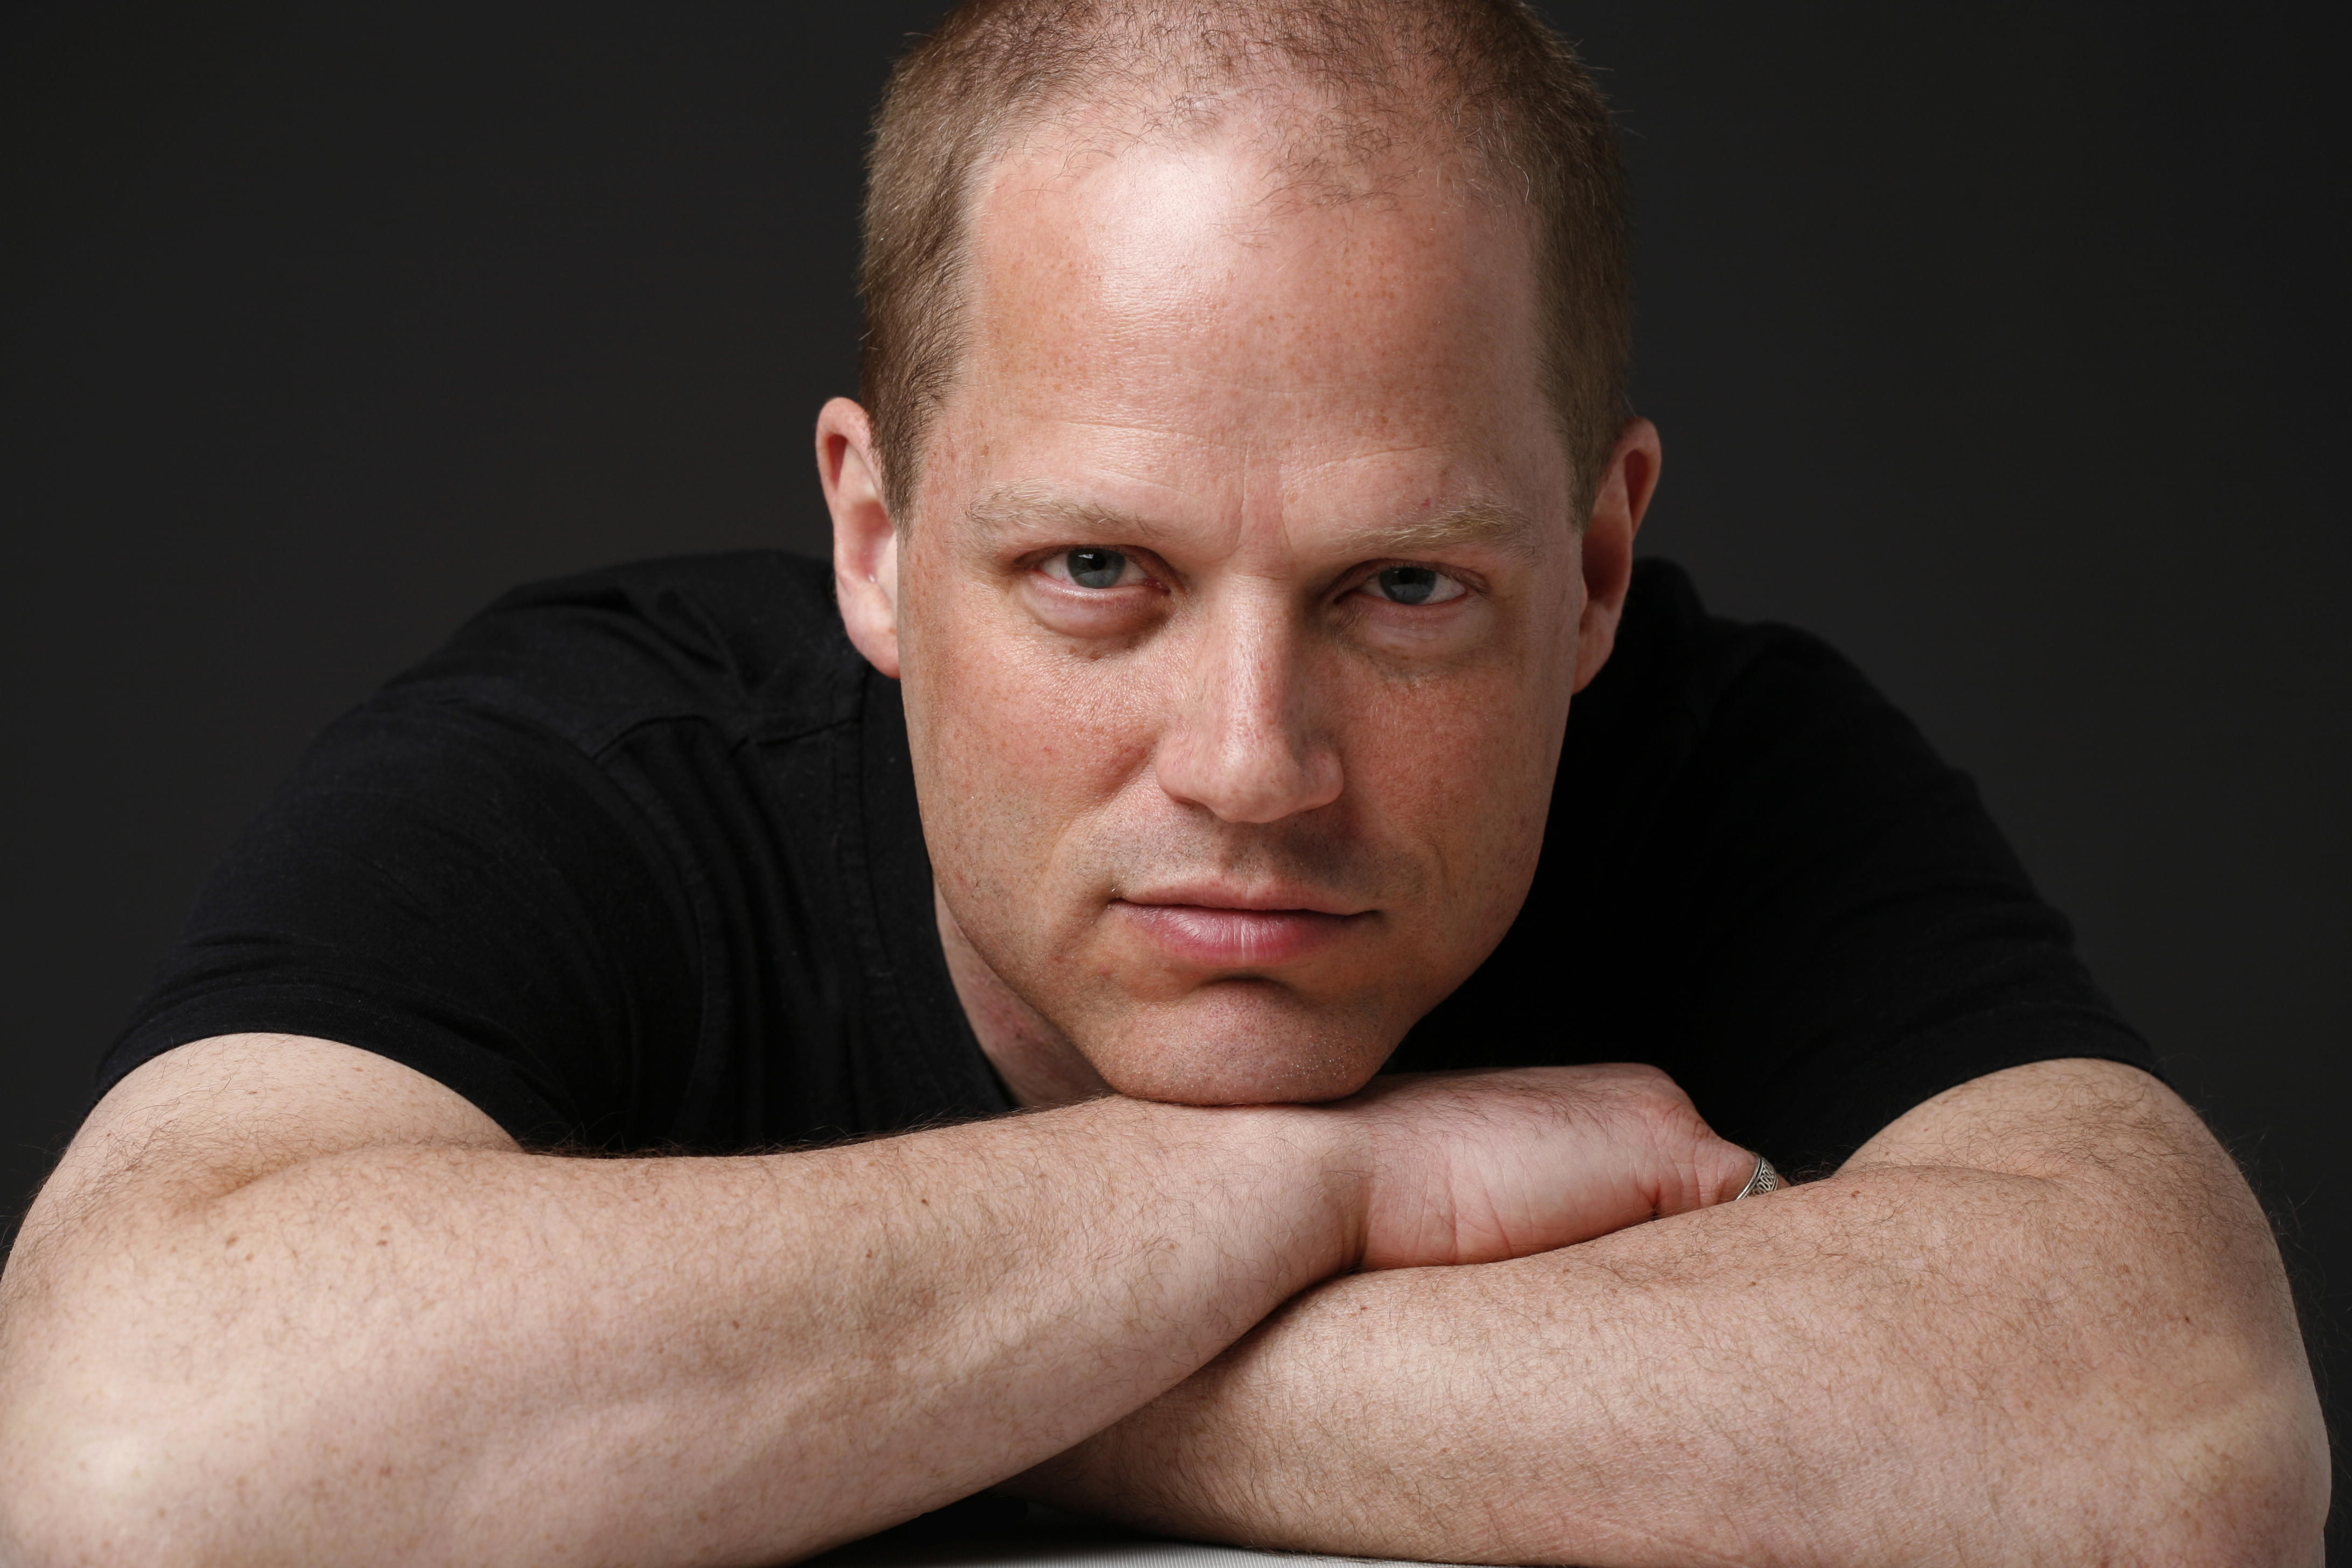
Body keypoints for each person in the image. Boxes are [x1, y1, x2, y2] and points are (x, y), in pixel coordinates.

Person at [0, 1, 2326, 1562]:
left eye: (1404, 587)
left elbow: (2177, 1442)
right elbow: (127, 1448)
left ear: (1597, 565)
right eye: (1097, 570)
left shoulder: (1725, 767)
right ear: (876, 537)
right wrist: (1340, 1180)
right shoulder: (602, 772)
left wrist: (939, 1381)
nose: (1252, 765)